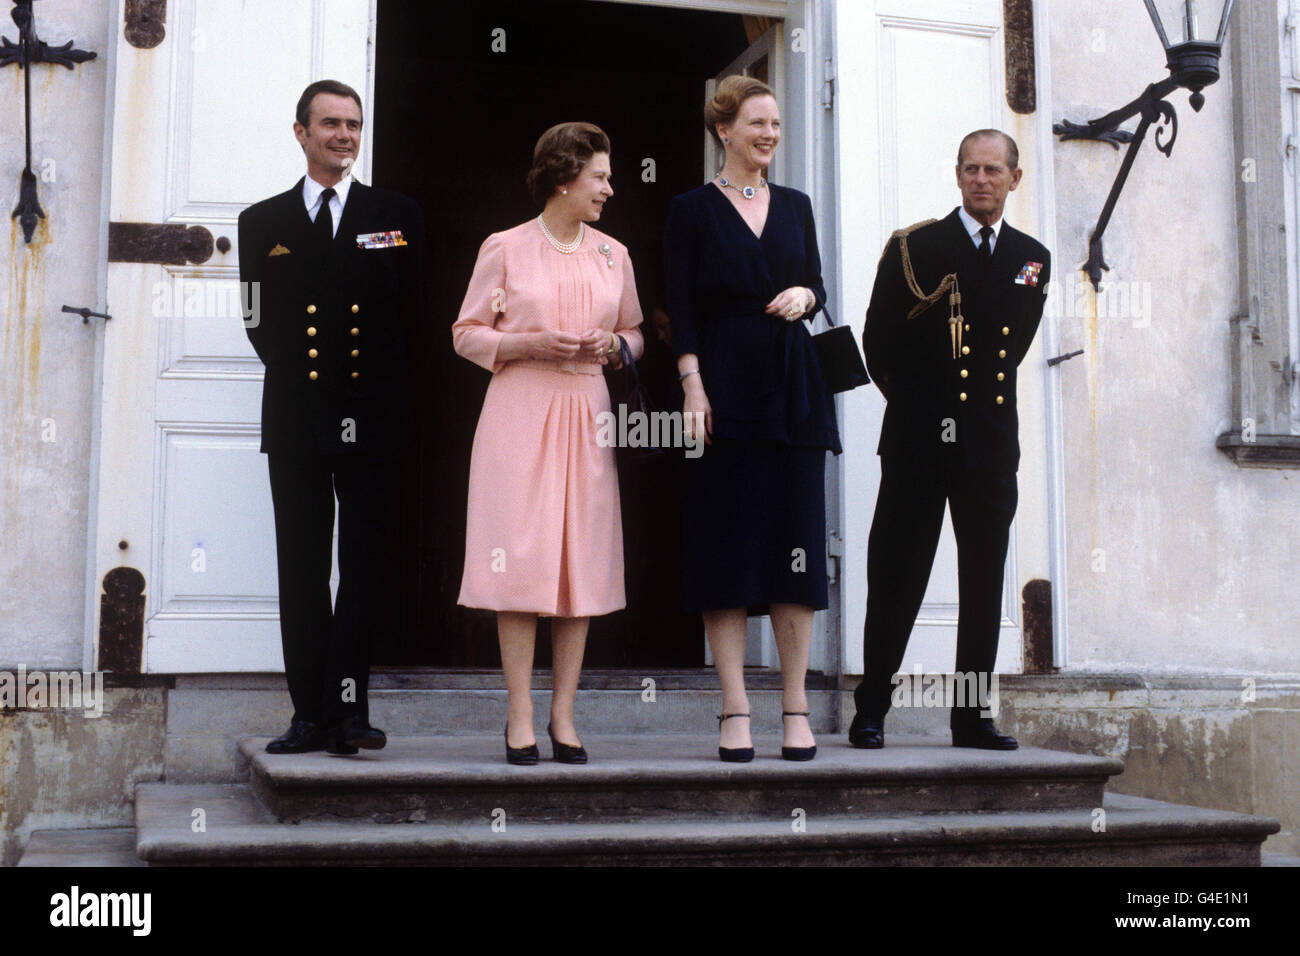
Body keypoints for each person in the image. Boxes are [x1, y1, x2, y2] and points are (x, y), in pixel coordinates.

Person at [238, 79, 427, 755]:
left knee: (366, 564)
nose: (344, 135)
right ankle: (308, 714)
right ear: (301, 132)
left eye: (353, 124)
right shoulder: (262, 221)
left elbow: (414, 319)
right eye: (330, 124)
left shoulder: (395, 212)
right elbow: (256, 319)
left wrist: (375, 395)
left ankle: (349, 711)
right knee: (302, 566)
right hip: (295, 415)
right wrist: (306, 381)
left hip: (373, 416)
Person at [848, 129, 1051, 751]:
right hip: (919, 439)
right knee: (897, 572)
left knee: (984, 579)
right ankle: (872, 706)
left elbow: (1009, 353)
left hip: (989, 445)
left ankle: (970, 716)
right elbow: (878, 341)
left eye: (993, 170)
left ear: (1015, 178)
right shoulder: (916, 247)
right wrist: (925, 411)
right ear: (957, 176)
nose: (981, 179)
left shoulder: (1030, 256)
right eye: (970, 169)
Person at [452, 122, 644, 765]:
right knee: (523, 560)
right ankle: (519, 715)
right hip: (520, 409)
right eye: (600, 177)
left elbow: (637, 332)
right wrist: (524, 344)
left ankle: (565, 714)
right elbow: (467, 331)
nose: (610, 189)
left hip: (587, 410)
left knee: (578, 561)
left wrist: (616, 347)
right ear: (564, 177)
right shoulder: (505, 247)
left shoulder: (614, 254)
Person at [664, 75, 840, 763]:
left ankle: (795, 707)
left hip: (795, 391)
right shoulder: (690, 209)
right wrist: (693, 389)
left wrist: (806, 291)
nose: (769, 134)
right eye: (756, 123)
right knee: (726, 547)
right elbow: (681, 307)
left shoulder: (796, 206)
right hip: (725, 388)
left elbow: (818, 283)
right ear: (723, 131)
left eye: (775, 123)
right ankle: (735, 706)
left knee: (795, 546)